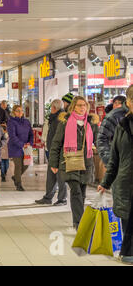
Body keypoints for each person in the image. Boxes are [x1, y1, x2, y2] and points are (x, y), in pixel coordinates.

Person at [49, 96, 99, 231]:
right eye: (79, 105)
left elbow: (99, 142)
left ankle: (77, 220)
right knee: (76, 191)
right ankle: (80, 223)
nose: (82, 108)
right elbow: (56, 143)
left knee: (82, 193)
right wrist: (53, 163)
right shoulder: (65, 123)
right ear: (73, 107)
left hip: (86, 163)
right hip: (69, 162)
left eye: (84, 105)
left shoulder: (91, 124)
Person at [97, 85, 133, 264]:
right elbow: (115, 158)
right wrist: (106, 182)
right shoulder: (122, 125)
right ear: (129, 102)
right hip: (126, 182)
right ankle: (128, 252)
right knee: (127, 218)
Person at [35, 99, 67, 206]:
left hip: (57, 152)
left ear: (54, 108)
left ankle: (62, 199)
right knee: (51, 176)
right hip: (51, 150)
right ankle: (48, 197)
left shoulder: (60, 119)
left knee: (60, 176)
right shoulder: (54, 118)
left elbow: (58, 138)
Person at [7, 105, 34, 191]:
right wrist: (22, 144)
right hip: (16, 147)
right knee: (18, 166)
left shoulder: (26, 122)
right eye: (18, 111)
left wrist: (30, 142)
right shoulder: (11, 122)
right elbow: (12, 136)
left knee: (26, 164)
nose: (20, 112)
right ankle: (19, 185)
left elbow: (31, 133)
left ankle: (15, 177)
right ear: (14, 112)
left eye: (21, 111)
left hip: (26, 148)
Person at [97, 95, 128, 166]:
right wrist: (109, 161)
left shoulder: (128, 115)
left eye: (119, 103)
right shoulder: (112, 117)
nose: (117, 105)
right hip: (117, 160)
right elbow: (102, 139)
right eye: (115, 103)